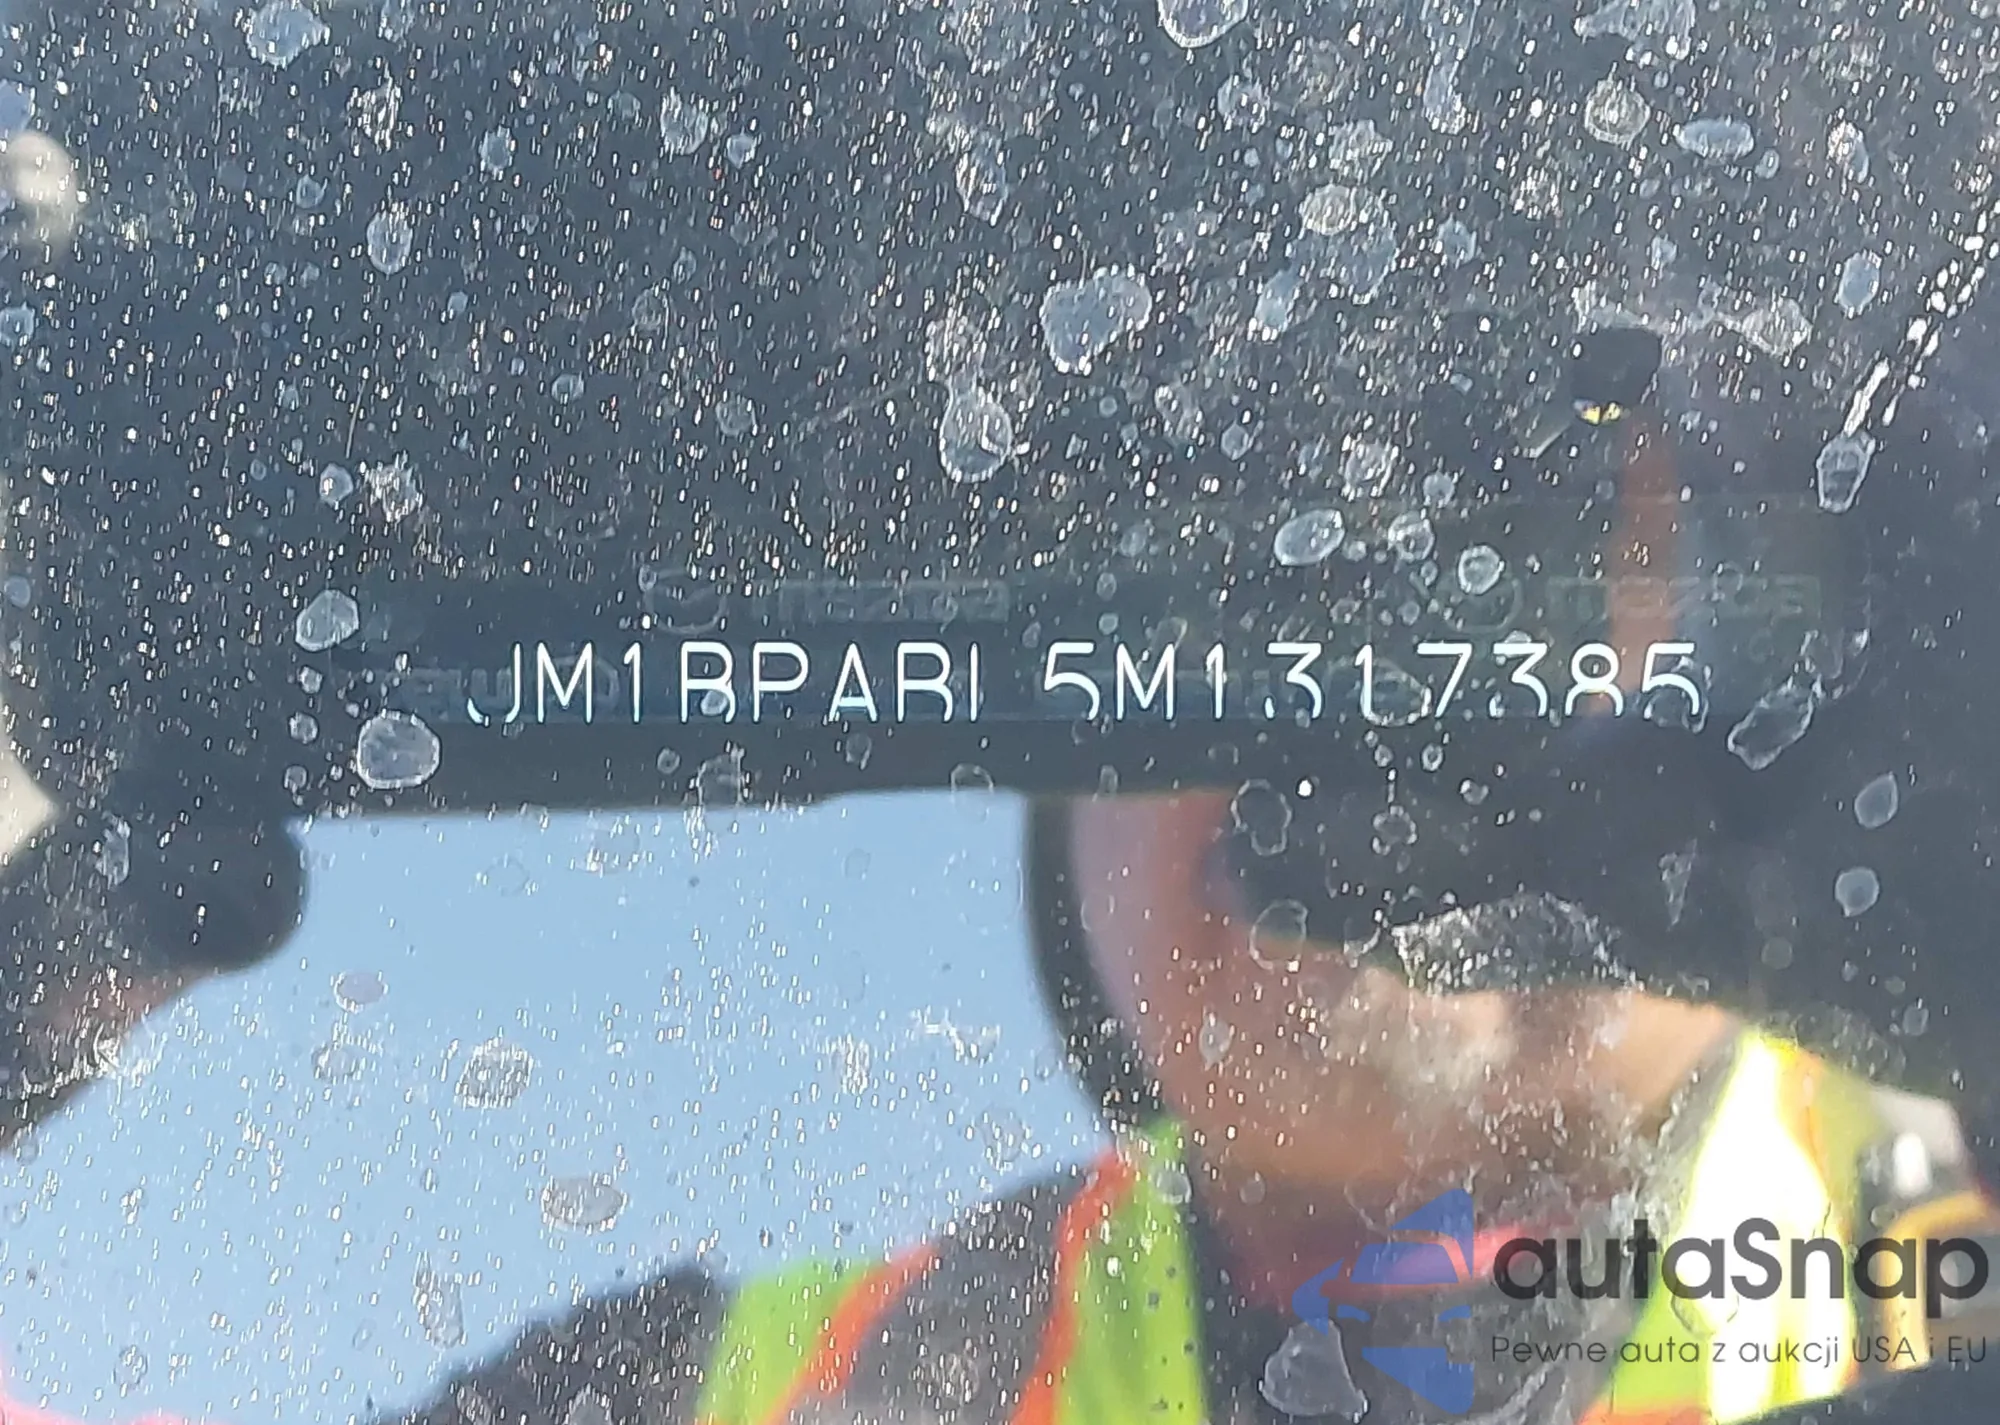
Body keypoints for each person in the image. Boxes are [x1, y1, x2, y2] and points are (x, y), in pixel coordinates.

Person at [5, 0, 2000, 1420]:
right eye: (1181, 602)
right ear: (1036, 772)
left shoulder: (1950, 1212)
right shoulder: (717, 1389)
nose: (1326, 703)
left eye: (1484, 539)